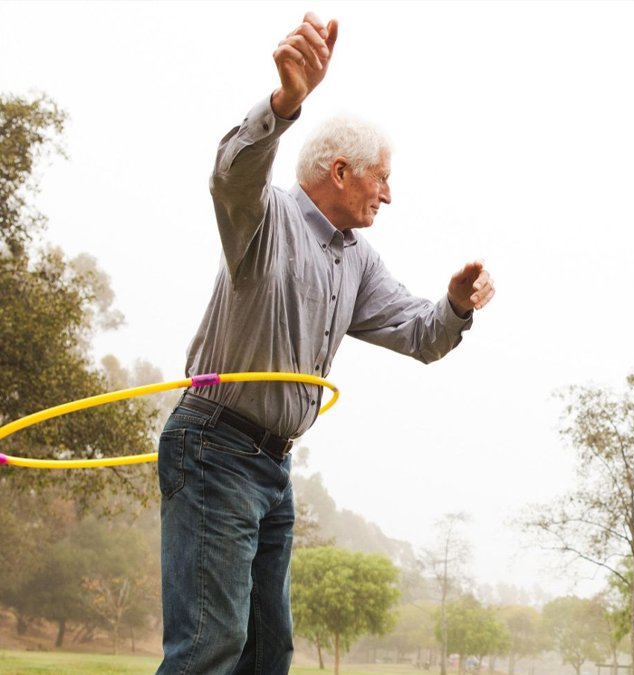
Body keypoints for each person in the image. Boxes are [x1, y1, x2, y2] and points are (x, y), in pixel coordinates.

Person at [156, 12, 495, 674]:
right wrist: (286, 104)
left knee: (267, 651)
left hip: (272, 466)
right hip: (215, 447)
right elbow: (230, 176)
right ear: (341, 172)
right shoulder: (267, 216)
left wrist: (455, 303)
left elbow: (422, 334)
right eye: (381, 178)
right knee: (209, 648)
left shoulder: (358, 259)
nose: (389, 195)